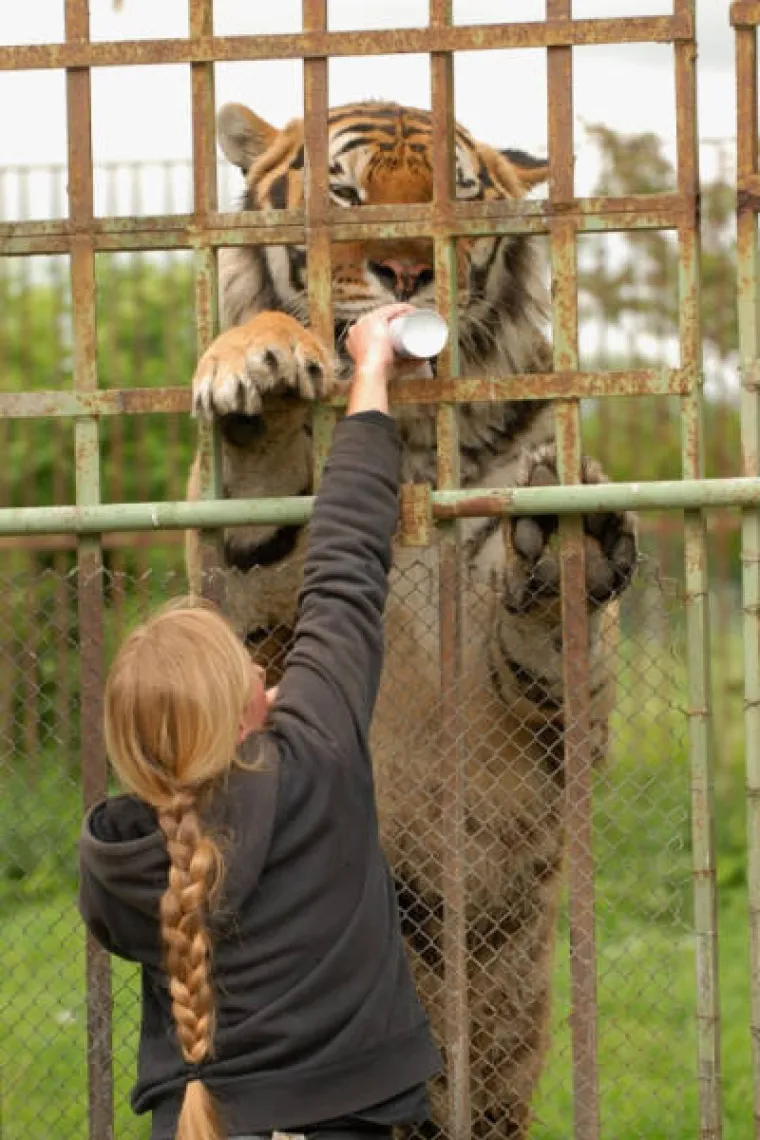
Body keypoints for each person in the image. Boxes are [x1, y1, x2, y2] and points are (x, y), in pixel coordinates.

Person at [77, 301, 442, 1140]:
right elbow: (346, 567)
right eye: (249, 667)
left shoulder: (120, 854)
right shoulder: (313, 753)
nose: (266, 668)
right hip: (352, 1116)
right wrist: (373, 374)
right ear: (239, 716)